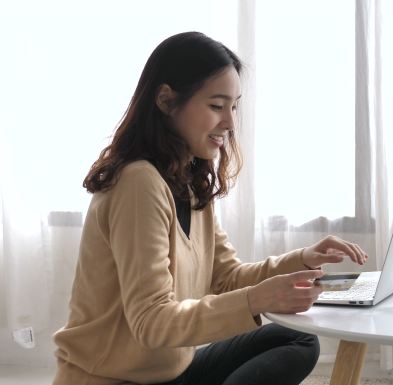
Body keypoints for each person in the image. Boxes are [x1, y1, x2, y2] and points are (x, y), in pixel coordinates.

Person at [52, 31, 368, 385]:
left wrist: (304, 259)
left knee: (296, 339)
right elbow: (152, 322)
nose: (230, 123)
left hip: (173, 373)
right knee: (290, 339)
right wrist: (254, 300)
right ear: (166, 100)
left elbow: (226, 278)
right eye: (217, 106)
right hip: (113, 380)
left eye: (233, 107)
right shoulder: (138, 183)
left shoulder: (187, 179)